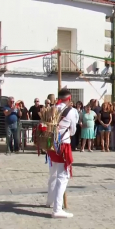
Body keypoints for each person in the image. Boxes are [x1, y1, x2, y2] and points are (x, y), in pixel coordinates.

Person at [45, 88, 77, 218]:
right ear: (69, 98)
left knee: (53, 173)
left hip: (51, 144)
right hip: (63, 144)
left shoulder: (51, 109)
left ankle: (49, 201)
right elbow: (73, 130)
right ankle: (57, 209)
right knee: (63, 176)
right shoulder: (72, 111)